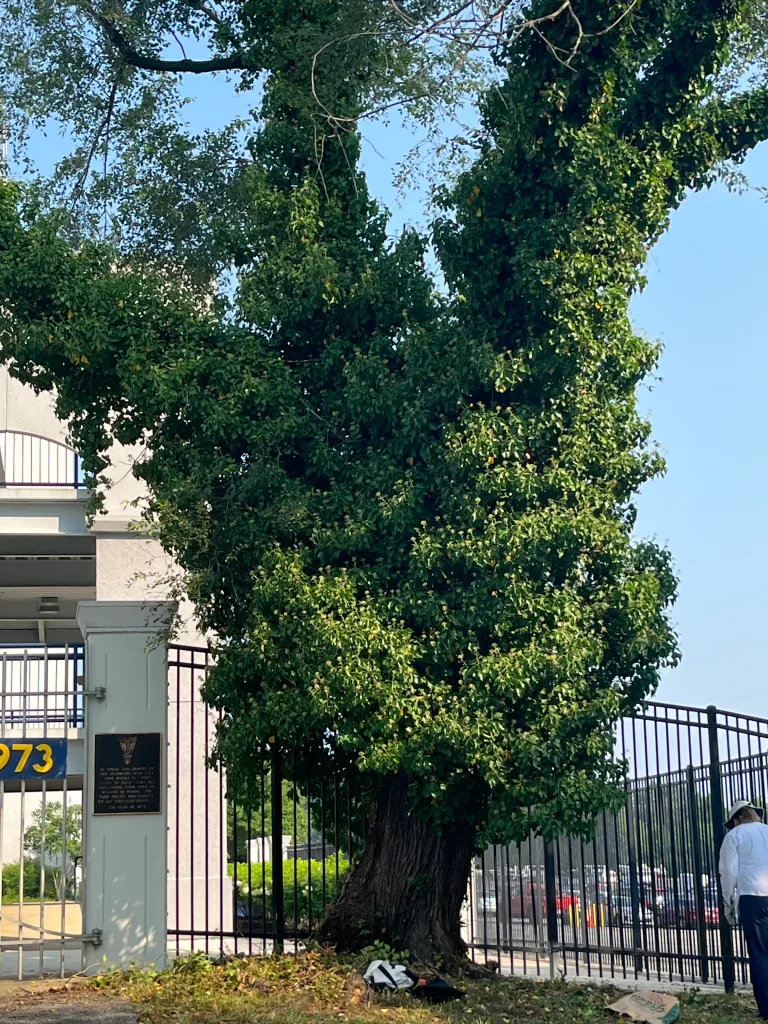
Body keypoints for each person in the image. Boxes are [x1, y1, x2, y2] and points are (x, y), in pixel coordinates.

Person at [720, 799, 768, 1019]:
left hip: (752, 897)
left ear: (737, 819)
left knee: (759, 954)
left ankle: (766, 1010)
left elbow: (728, 872)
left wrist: (728, 902)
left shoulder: (734, 836)